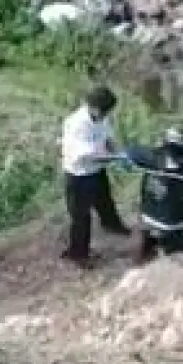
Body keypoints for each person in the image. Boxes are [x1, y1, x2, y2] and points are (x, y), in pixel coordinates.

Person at [61, 85, 128, 267]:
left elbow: (108, 139)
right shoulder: (76, 124)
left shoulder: (101, 118)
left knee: (105, 202)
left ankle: (113, 226)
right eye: (105, 112)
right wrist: (116, 158)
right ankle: (78, 254)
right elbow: (87, 155)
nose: (107, 116)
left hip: (96, 171)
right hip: (78, 175)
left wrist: (120, 152)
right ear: (94, 108)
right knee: (81, 217)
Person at [125, 120, 183, 265]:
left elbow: (131, 151)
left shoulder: (154, 157)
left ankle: (143, 255)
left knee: (140, 230)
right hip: (178, 224)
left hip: (149, 218)